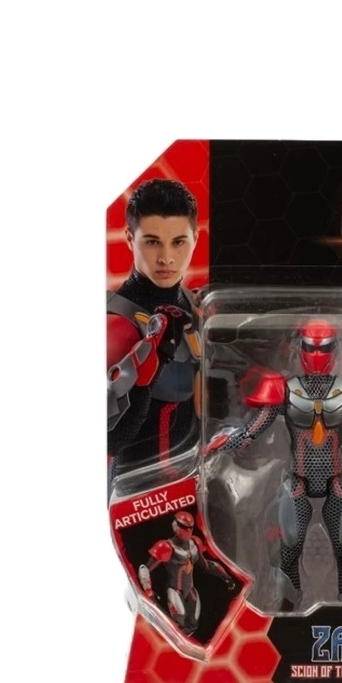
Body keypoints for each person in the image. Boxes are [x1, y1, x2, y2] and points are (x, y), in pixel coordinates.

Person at [107, 179, 201, 485]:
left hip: (193, 477)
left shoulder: (195, 305)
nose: (166, 258)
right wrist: (147, 369)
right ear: (129, 238)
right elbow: (110, 441)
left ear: (195, 238)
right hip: (137, 488)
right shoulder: (117, 323)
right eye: (152, 242)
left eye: (178, 242)